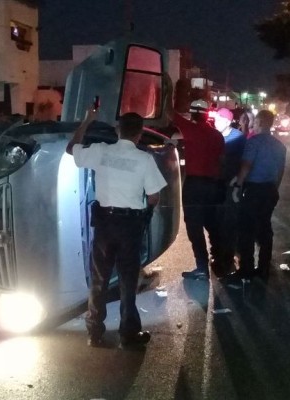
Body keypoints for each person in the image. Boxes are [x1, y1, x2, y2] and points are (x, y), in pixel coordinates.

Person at [66, 107, 167, 348]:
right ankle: (128, 335)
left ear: (117, 130)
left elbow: (71, 149)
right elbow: (154, 197)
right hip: (129, 225)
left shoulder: (101, 151)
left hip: (104, 223)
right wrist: (144, 213)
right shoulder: (144, 159)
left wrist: (87, 121)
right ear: (140, 134)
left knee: (99, 278)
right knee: (128, 280)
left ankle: (94, 332)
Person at [170, 100, 225, 281]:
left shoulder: (189, 129)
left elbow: (169, 113)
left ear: (192, 113)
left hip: (194, 185)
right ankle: (219, 260)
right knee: (213, 224)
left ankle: (202, 267)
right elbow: (221, 161)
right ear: (207, 114)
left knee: (194, 226)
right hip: (213, 185)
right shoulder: (217, 135)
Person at [230, 110, 286, 283]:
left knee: (246, 230)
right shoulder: (280, 146)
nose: (253, 124)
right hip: (270, 190)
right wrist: (274, 189)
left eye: (255, 121)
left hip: (253, 190)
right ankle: (263, 269)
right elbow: (280, 171)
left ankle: (246, 269)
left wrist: (237, 185)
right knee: (265, 229)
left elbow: (246, 166)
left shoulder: (253, 142)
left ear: (261, 122)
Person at [211, 108, 246, 277]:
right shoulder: (213, 135)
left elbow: (245, 162)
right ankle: (217, 255)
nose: (216, 123)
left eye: (219, 120)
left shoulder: (238, 138)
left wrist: (238, 180)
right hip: (215, 184)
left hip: (231, 185)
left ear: (227, 121)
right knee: (215, 220)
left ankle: (228, 257)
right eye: (215, 119)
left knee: (230, 221)